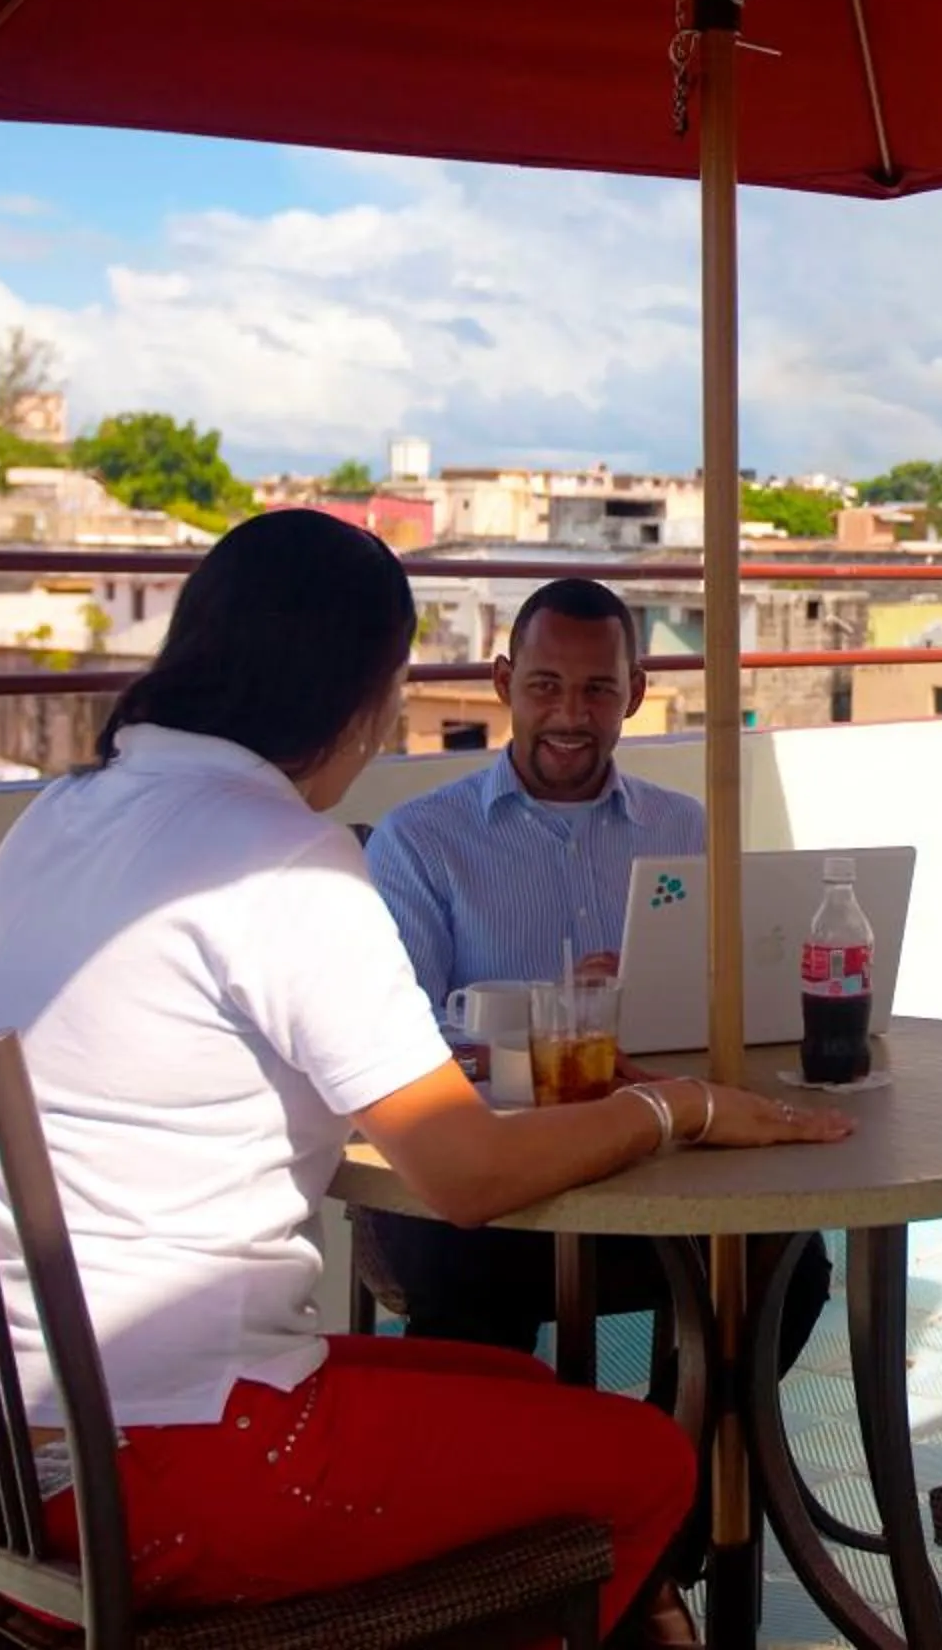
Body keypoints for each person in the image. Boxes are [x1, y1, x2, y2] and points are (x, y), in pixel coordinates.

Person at [0, 512, 850, 1646]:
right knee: (639, 1462)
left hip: (13, 1441)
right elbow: (466, 1173)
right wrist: (676, 1105)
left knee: (540, 1404)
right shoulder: (279, 858)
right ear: (358, 687)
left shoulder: (60, 813)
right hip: (175, 1466)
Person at [362, 579, 836, 1374]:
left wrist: (654, 998)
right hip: (489, 1170)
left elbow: (726, 1003)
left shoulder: (686, 827)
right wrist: (557, 1020)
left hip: (654, 1156)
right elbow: (399, 1044)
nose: (572, 716)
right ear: (504, 683)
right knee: (467, 1285)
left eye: (598, 690)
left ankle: (673, 1474)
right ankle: (527, 1492)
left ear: (637, 694)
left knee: (787, 1264)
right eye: (545, 686)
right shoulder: (420, 841)